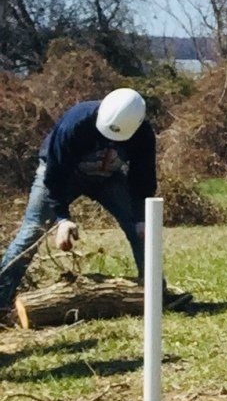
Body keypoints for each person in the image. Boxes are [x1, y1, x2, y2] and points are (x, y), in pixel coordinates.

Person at [0, 88, 157, 319]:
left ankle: (154, 292)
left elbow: (142, 177)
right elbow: (54, 175)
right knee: (32, 230)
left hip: (108, 178)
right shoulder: (76, 122)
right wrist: (62, 218)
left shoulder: (142, 133)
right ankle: (1, 298)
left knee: (143, 232)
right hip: (63, 176)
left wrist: (141, 218)